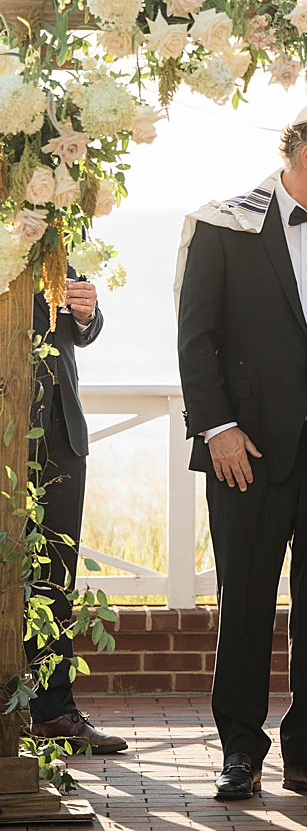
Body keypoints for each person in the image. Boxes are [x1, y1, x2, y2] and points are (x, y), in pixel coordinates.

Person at [176, 114, 307, 801]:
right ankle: (240, 749)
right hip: (247, 451)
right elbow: (195, 337)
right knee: (244, 601)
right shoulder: (223, 226)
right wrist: (217, 427)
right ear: (306, 155)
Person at [23, 274, 128, 754]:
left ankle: (54, 713)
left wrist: (87, 314)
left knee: (55, 580)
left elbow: (78, 330)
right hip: (9, 430)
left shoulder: (56, 232)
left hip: (61, 438)